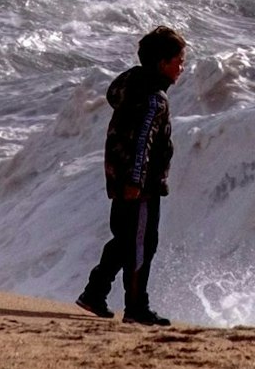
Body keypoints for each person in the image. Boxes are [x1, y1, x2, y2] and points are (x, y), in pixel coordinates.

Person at [76, 25, 185, 325]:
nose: (182, 67)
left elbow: (122, 114)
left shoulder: (131, 87)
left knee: (124, 240)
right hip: (140, 185)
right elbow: (142, 141)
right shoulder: (153, 98)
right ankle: (136, 307)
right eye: (178, 60)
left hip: (119, 178)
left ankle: (95, 292)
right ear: (162, 62)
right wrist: (137, 181)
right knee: (140, 245)